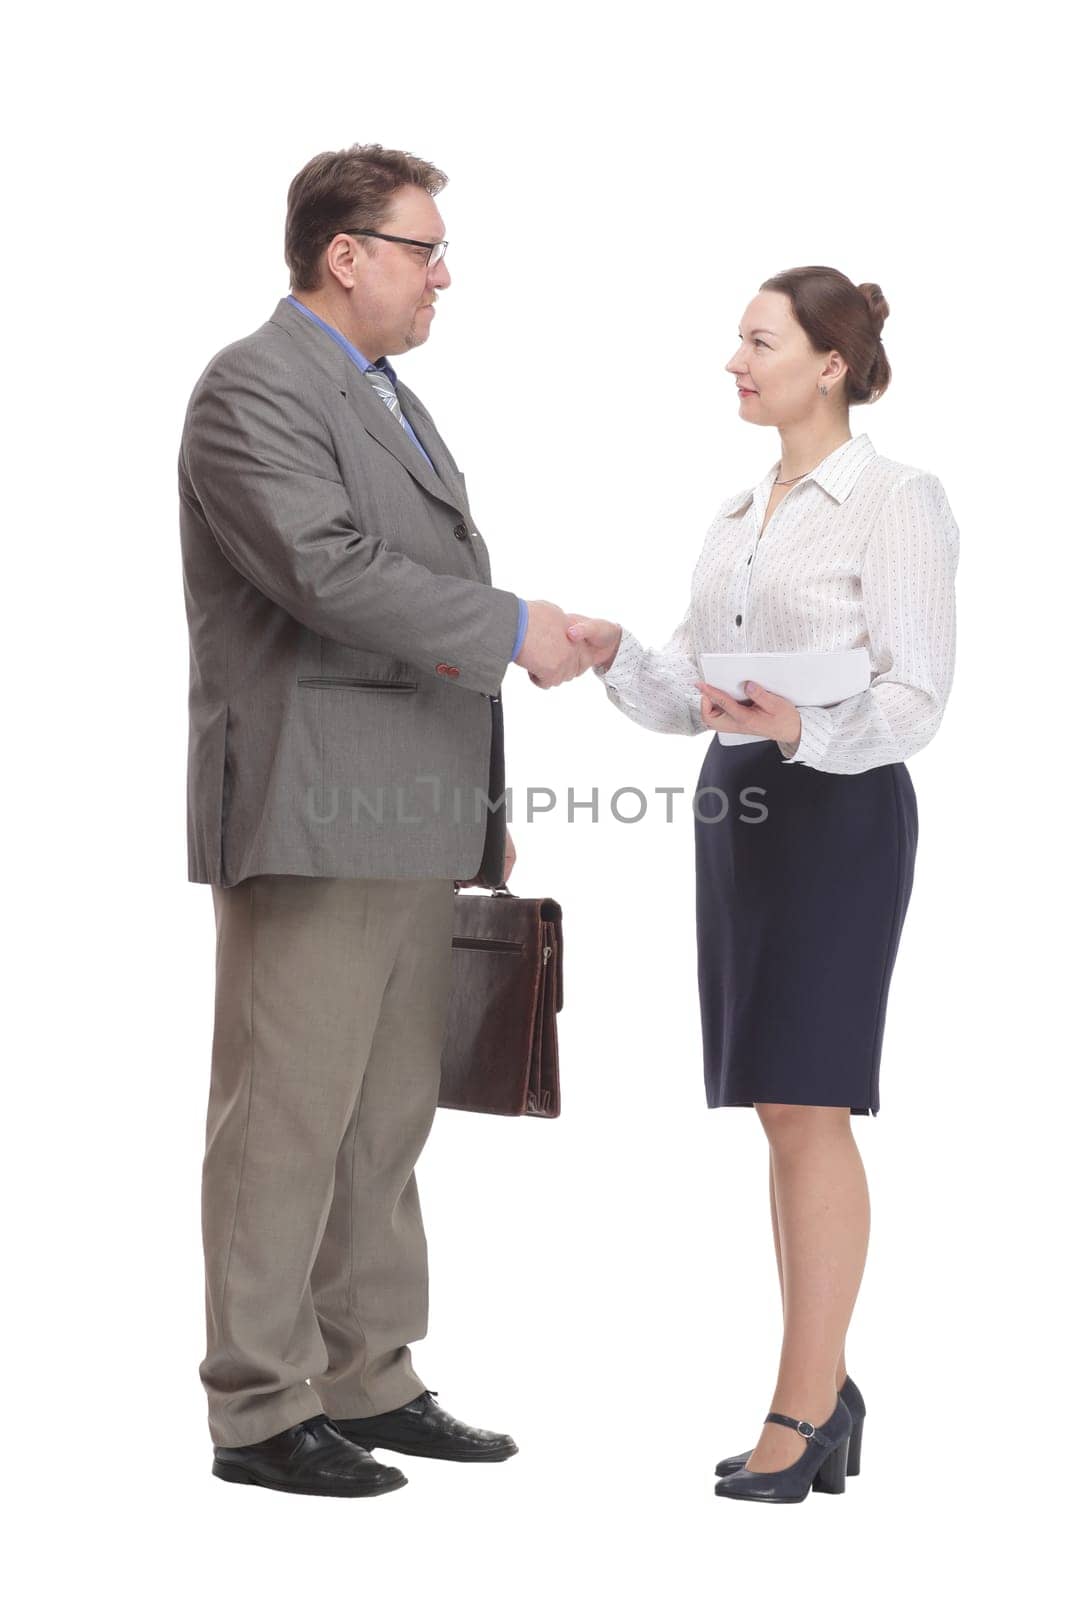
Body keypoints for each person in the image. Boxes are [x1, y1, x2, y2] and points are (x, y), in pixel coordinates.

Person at [178, 143, 584, 1497]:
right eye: (424, 248)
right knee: (286, 1116)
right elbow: (328, 573)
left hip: (406, 811)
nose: (442, 274)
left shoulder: (383, 394)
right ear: (345, 254)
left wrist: (473, 802)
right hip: (312, 808)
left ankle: (368, 1374)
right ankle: (257, 1408)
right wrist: (517, 629)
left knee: (382, 1121)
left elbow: (406, 580)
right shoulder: (253, 388)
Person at [566, 267, 959, 1504]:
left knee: (812, 1098)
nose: (732, 363)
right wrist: (609, 656)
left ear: (828, 363)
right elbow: (693, 687)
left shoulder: (894, 500)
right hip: (738, 809)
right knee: (776, 1108)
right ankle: (821, 1389)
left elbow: (913, 695)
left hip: (836, 806)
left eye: (756, 342)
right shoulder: (737, 511)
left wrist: (801, 727)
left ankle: (803, 1404)